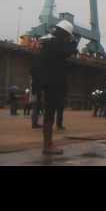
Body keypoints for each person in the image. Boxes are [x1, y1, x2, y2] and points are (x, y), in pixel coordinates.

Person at [34, 20, 78, 155]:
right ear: (65, 34)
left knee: (49, 113)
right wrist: (74, 41)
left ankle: (48, 144)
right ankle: (48, 146)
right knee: (50, 114)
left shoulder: (47, 43)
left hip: (47, 83)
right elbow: (70, 50)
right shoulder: (57, 43)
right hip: (53, 84)